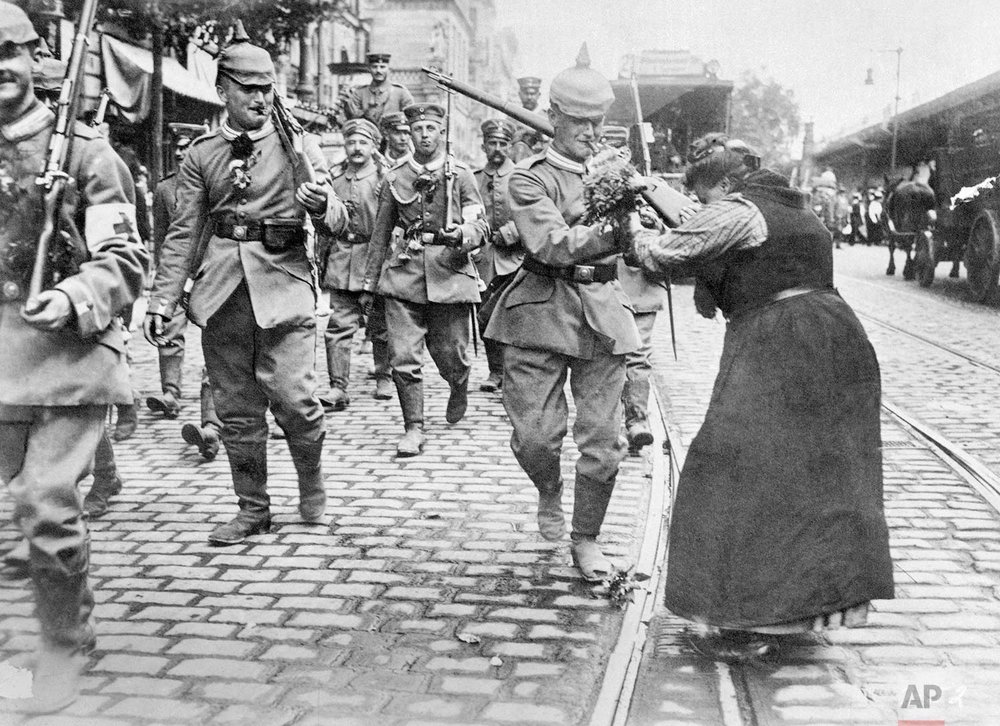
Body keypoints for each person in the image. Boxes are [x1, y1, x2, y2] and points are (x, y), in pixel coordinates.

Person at [630, 134, 893, 660]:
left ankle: (749, 616)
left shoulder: (740, 210)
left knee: (732, 467)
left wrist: (632, 228)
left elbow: (663, 255)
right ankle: (805, 610)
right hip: (835, 334)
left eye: (706, 197)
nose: (704, 207)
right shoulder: (795, 204)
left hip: (779, 341)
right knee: (818, 474)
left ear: (727, 185)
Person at [0, 1, 148, 711]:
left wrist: (73, 295)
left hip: (69, 357)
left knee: (46, 503)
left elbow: (123, 257)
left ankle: (60, 643)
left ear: (37, 61)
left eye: (11, 52)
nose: (0, 67)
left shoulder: (89, 156)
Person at [144, 32, 331, 545]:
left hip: (285, 284)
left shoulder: (299, 145)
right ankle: (253, 508)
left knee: (295, 401)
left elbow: (342, 219)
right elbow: (185, 232)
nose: (259, 98)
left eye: (267, 88)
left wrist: (320, 205)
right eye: (247, 88)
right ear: (222, 89)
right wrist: (164, 299)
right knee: (237, 409)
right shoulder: (202, 154)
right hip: (224, 291)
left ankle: (310, 480)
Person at [484, 46, 641, 582]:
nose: (592, 132)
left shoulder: (621, 172)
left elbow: (642, 246)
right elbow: (550, 244)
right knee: (535, 439)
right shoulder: (527, 177)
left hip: (601, 314)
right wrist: (611, 222)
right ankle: (548, 488)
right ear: (553, 118)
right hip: (539, 312)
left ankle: (586, 537)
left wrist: (647, 221)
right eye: (579, 122)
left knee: (603, 443)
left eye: (599, 122)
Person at [361, 102, 489, 457]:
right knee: (403, 355)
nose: (424, 135)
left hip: (449, 272)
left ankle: (458, 382)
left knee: (451, 353)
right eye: (418, 129)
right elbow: (380, 234)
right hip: (403, 274)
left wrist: (462, 233)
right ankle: (413, 427)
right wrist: (369, 285)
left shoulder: (460, 175)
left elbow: (480, 225)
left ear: (441, 132)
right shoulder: (395, 176)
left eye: (431, 129)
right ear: (409, 133)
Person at [319, 117, 393, 409]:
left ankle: (384, 376)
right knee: (338, 325)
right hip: (341, 256)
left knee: (380, 323)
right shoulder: (334, 179)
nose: (356, 148)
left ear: (374, 146)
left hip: (374, 257)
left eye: (363, 142)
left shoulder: (384, 179)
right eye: (351, 142)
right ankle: (338, 388)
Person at [602, 125, 664, 451]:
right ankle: (609, 423)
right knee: (607, 358)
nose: (614, 153)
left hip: (639, 287)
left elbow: (675, 229)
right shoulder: (591, 185)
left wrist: (654, 222)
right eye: (606, 145)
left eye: (620, 147)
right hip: (601, 285)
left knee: (638, 355)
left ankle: (637, 420)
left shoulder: (650, 187)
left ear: (628, 151)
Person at [146, 123, 207, 419]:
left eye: (188, 146)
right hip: (178, 275)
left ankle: (216, 403)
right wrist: (165, 281)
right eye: (178, 147)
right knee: (168, 329)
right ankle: (170, 393)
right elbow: (161, 239)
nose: (181, 152)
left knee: (218, 336)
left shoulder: (214, 183)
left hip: (210, 273)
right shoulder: (164, 188)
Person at [473, 117, 523, 393]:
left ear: (510, 147)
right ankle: (495, 371)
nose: (497, 149)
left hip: (514, 258)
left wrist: (512, 233)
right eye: (492, 143)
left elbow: (532, 214)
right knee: (484, 316)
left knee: (512, 317)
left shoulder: (521, 176)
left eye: (503, 144)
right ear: (484, 145)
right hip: (483, 259)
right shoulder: (475, 178)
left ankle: (513, 373)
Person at [341, 52, 414, 128]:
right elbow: (353, 118)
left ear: (388, 69)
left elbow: (411, 115)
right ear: (369, 69)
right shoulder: (359, 93)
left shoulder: (400, 92)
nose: (378, 71)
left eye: (382, 67)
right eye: (374, 67)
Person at [511, 76, 546, 162]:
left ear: (539, 95)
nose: (529, 97)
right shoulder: (513, 116)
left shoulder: (546, 117)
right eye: (526, 93)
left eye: (532, 94)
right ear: (520, 94)